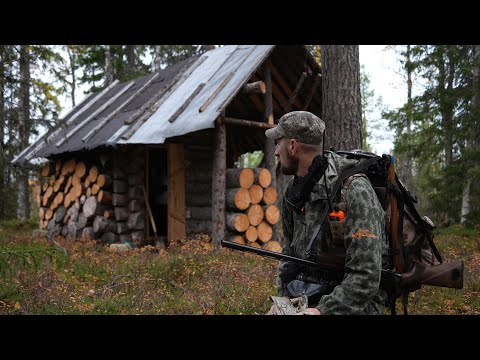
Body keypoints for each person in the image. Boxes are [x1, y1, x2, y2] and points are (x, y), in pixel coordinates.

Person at [264, 111, 388, 315]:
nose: (276, 151)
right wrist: (284, 302)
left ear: (292, 146)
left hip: (356, 305)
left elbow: (365, 276)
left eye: (278, 143)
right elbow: (289, 255)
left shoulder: (354, 191)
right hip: (308, 295)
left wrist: (322, 311)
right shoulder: (292, 193)